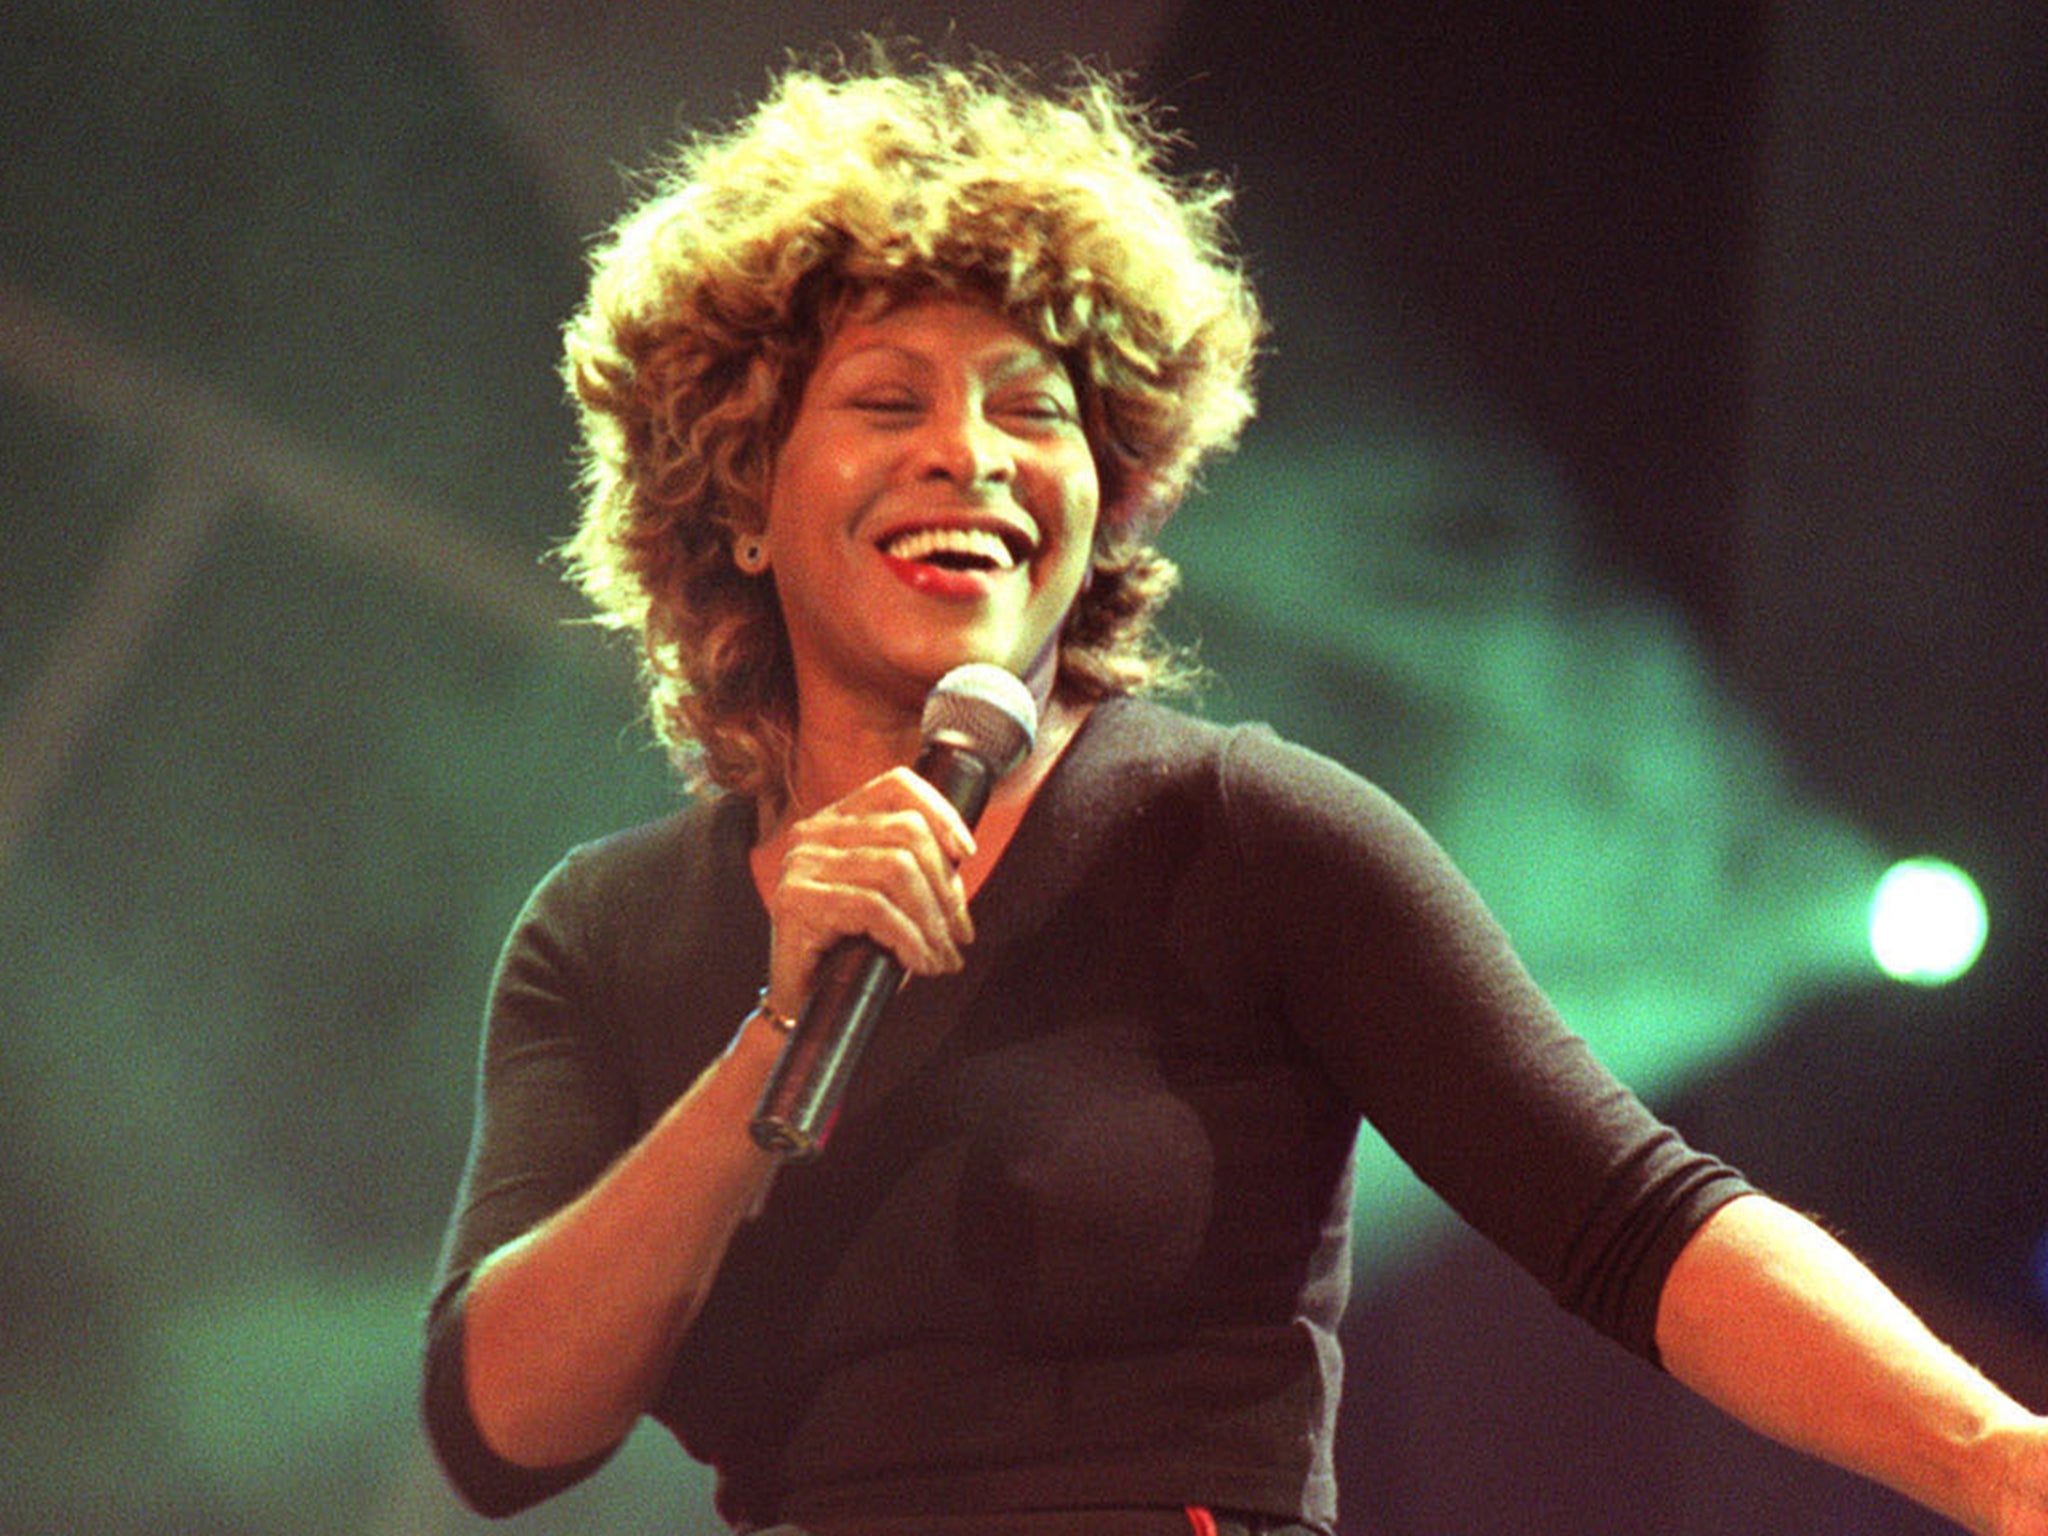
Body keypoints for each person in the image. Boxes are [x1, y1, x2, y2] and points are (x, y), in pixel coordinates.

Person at [421, 49, 2048, 1536]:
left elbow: (1636, 1221)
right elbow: (503, 1431)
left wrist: (1999, 1461)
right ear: (743, 506)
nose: (971, 454)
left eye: (1033, 410)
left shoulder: (1246, 837)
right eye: (888, 400)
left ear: (1107, 503)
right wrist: (772, 1041)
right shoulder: (610, 931)